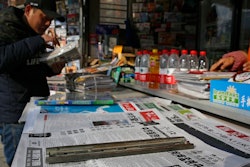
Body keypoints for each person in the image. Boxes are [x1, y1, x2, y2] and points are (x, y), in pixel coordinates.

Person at [0, 0, 66, 166]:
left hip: (38, 107)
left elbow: (31, 66)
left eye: (51, 20)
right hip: (16, 115)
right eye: (44, 18)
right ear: (29, 10)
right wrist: (39, 40)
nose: (47, 23)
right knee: (20, 162)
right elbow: (3, 59)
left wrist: (51, 68)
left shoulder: (34, 33)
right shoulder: (5, 26)